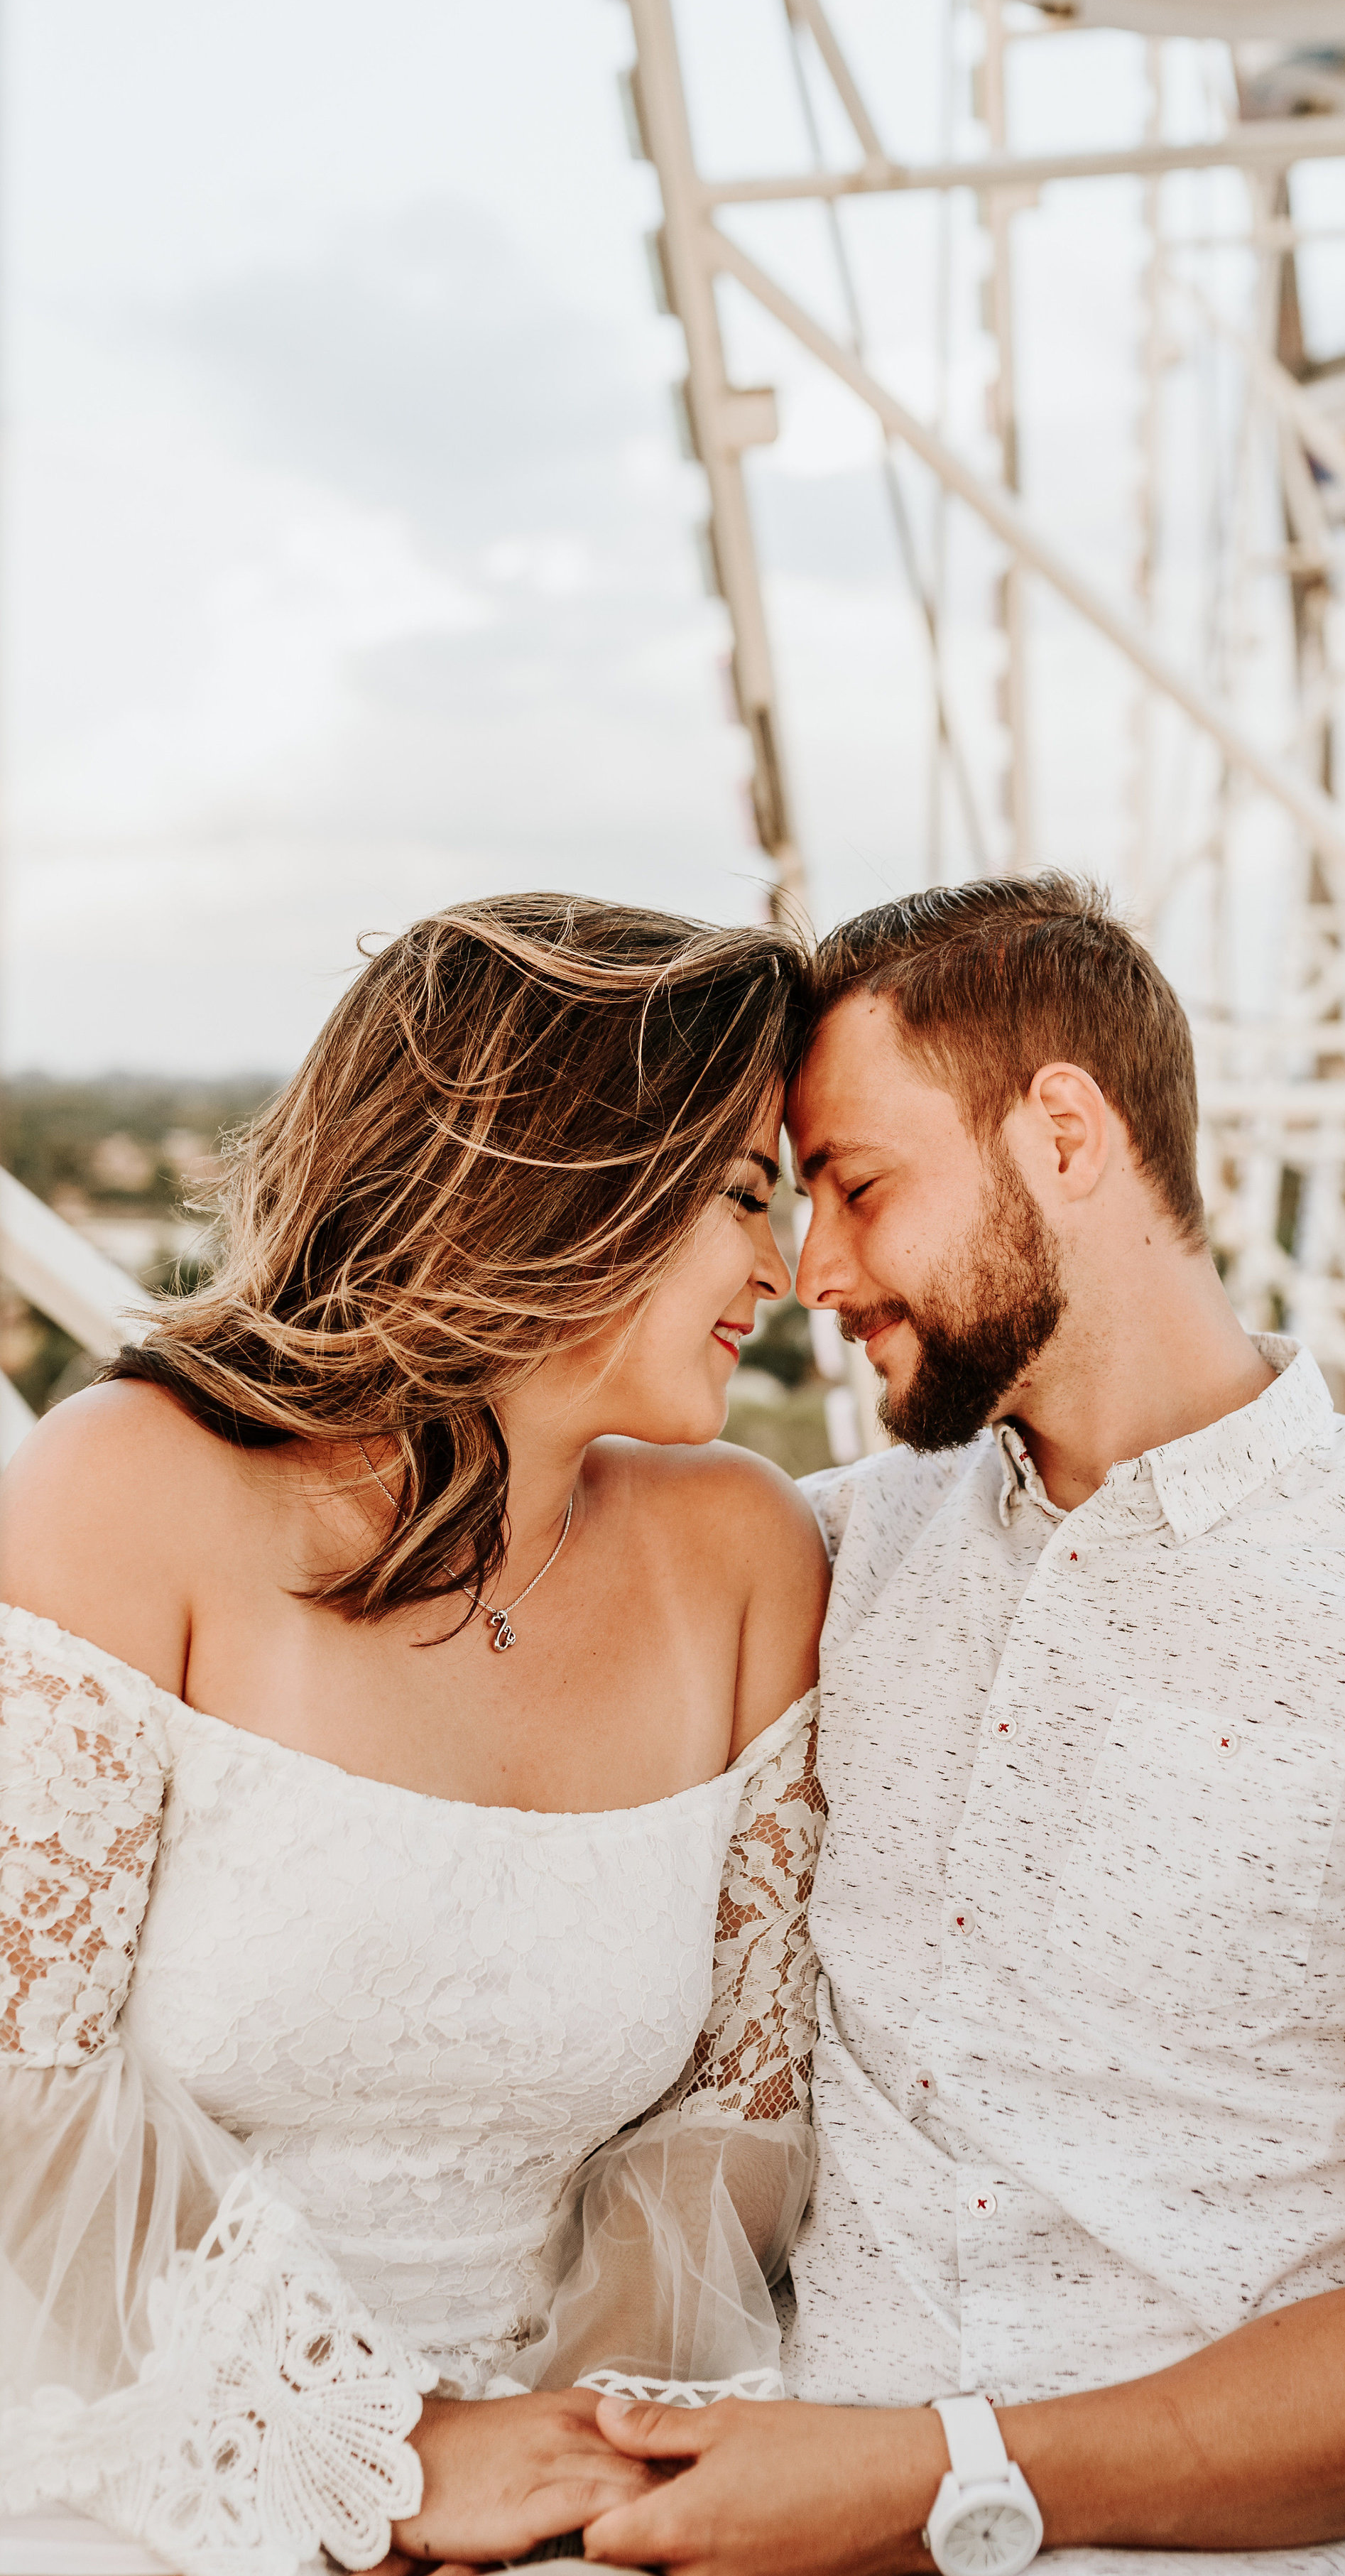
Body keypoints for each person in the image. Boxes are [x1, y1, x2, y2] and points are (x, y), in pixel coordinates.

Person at [577, 871, 1345, 2576]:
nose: (819, 1270)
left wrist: (929, 2484)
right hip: (780, 2527)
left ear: (1065, 1137)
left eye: (859, 1188)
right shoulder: (837, 1554)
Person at [0, 894, 831, 2576]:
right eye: (747, 1192)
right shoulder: (125, 1487)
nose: (785, 1267)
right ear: (570, 1165)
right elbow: (27, 2089)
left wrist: (572, 2440)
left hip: (565, 2474)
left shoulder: (741, 1553)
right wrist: (379, 2448)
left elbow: (734, 2115)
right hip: (130, 2434)